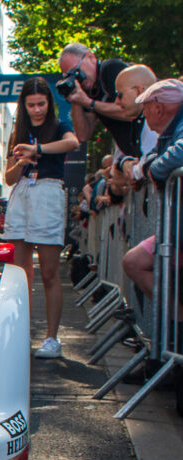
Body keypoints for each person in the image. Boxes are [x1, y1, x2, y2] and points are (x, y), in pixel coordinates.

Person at [3, 77, 80, 359]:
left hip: (49, 193)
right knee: (20, 275)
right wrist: (22, 162)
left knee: (49, 272)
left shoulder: (60, 126)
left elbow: (72, 142)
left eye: (41, 104)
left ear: (49, 103)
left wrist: (39, 150)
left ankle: (52, 338)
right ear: (23, 105)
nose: (37, 110)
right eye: (31, 104)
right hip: (22, 194)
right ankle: (21, 333)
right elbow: (9, 177)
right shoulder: (18, 131)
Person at [122, 79, 183, 302]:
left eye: (145, 108)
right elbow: (157, 155)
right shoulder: (171, 130)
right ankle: (175, 329)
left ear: (158, 108)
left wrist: (153, 171)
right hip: (176, 229)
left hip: (179, 230)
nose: (144, 117)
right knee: (134, 262)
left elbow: (180, 152)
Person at [57, 43, 143, 157]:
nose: (77, 77)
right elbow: (83, 135)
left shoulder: (111, 69)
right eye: (69, 76)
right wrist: (75, 99)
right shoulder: (87, 91)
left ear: (90, 57)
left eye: (76, 71)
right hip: (134, 154)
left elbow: (134, 112)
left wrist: (89, 103)